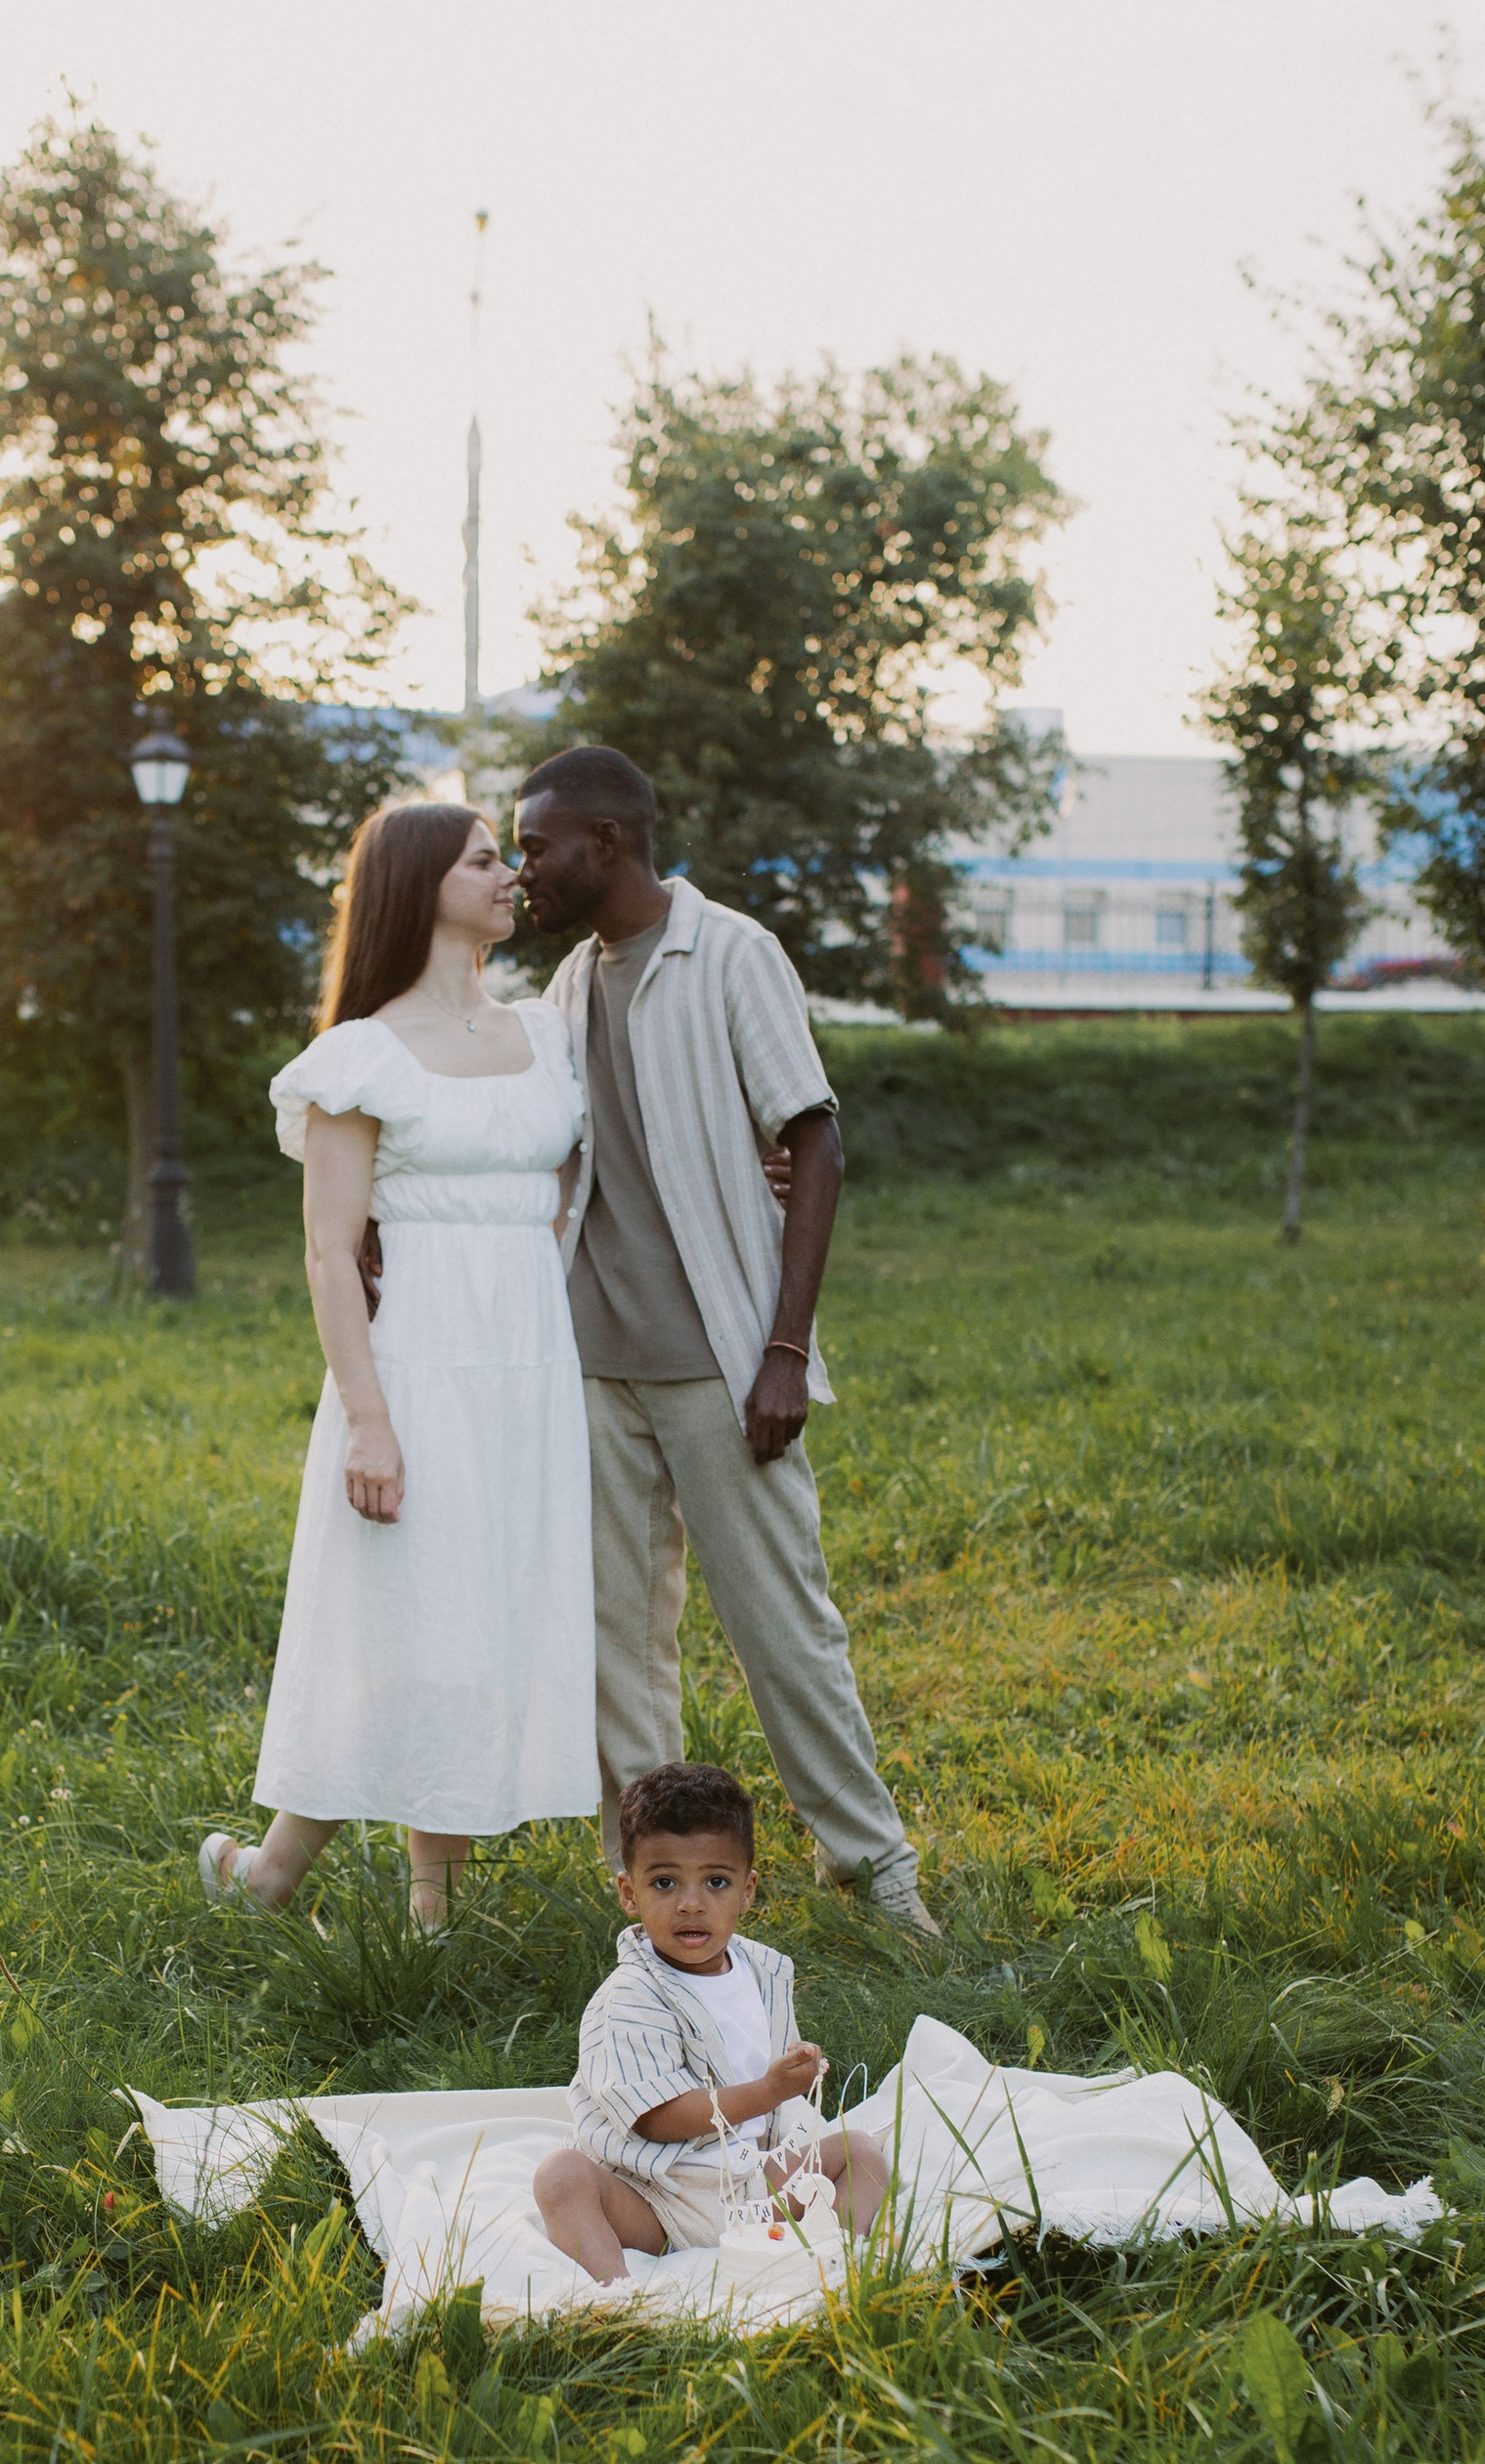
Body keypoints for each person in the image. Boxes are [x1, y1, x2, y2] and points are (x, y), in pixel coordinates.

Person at [514, 744, 940, 1938]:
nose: (524, 867)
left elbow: (816, 1142)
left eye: (538, 846)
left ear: (606, 841)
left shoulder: (733, 954)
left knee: (781, 1628)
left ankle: (877, 1874)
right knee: (618, 1651)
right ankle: (656, 1889)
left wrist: (784, 1351)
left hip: (722, 1362)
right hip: (592, 1368)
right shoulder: (566, 985)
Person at [199, 800, 595, 1930]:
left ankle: (383, 1903)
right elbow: (329, 1251)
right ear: (421, 884)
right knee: (408, 1624)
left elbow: (577, 1190)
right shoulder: (360, 1056)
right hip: (414, 1372)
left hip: (527, 1370)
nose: (510, 875)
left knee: (479, 1622)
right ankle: (313, 1885)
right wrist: (369, 1420)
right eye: (484, 860)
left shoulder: (546, 1034)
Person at [532, 1761, 890, 2283]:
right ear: (629, 1893)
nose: (691, 1904)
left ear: (747, 1891)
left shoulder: (764, 1973)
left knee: (860, 2151)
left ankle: (838, 2263)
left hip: (753, 2185)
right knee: (561, 2178)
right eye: (664, 1883)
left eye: (716, 1882)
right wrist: (769, 2090)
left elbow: (765, 2076)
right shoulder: (628, 1998)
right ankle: (614, 2298)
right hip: (658, 2195)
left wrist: (795, 2070)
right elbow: (658, 2118)